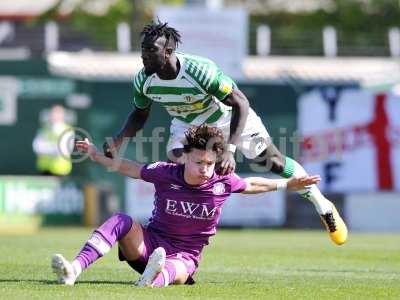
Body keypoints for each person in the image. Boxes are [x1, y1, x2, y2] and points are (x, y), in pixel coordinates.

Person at [103, 20, 347, 246]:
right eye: (143, 50)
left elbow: (240, 103)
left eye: (150, 50)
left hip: (227, 117)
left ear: (168, 52)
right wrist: (119, 139)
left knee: (272, 161)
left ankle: (322, 204)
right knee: (179, 164)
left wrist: (229, 150)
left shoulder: (200, 71)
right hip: (187, 126)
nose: (144, 56)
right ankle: (175, 232)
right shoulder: (143, 80)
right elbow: (139, 114)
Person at [52, 125, 322, 287]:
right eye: (199, 163)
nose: (205, 169)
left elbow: (251, 184)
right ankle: (74, 269)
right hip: (149, 244)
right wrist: (96, 155)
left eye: (210, 164)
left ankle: (151, 282)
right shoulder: (165, 172)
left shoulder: (222, 181)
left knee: (178, 269)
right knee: (121, 219)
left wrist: (287, 185)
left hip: (185, 255)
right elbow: (131, 168)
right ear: (184, 159)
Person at [32, 104, 74, 176]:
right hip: (44, 169)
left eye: (58, 113)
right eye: (53, 113)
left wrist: (46, 147)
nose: (55, 115)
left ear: (62, 115)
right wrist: (51, 147)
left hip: (60, 170)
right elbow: (37, 146)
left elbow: (62, 149)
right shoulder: (45, 129)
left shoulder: (67, 130)